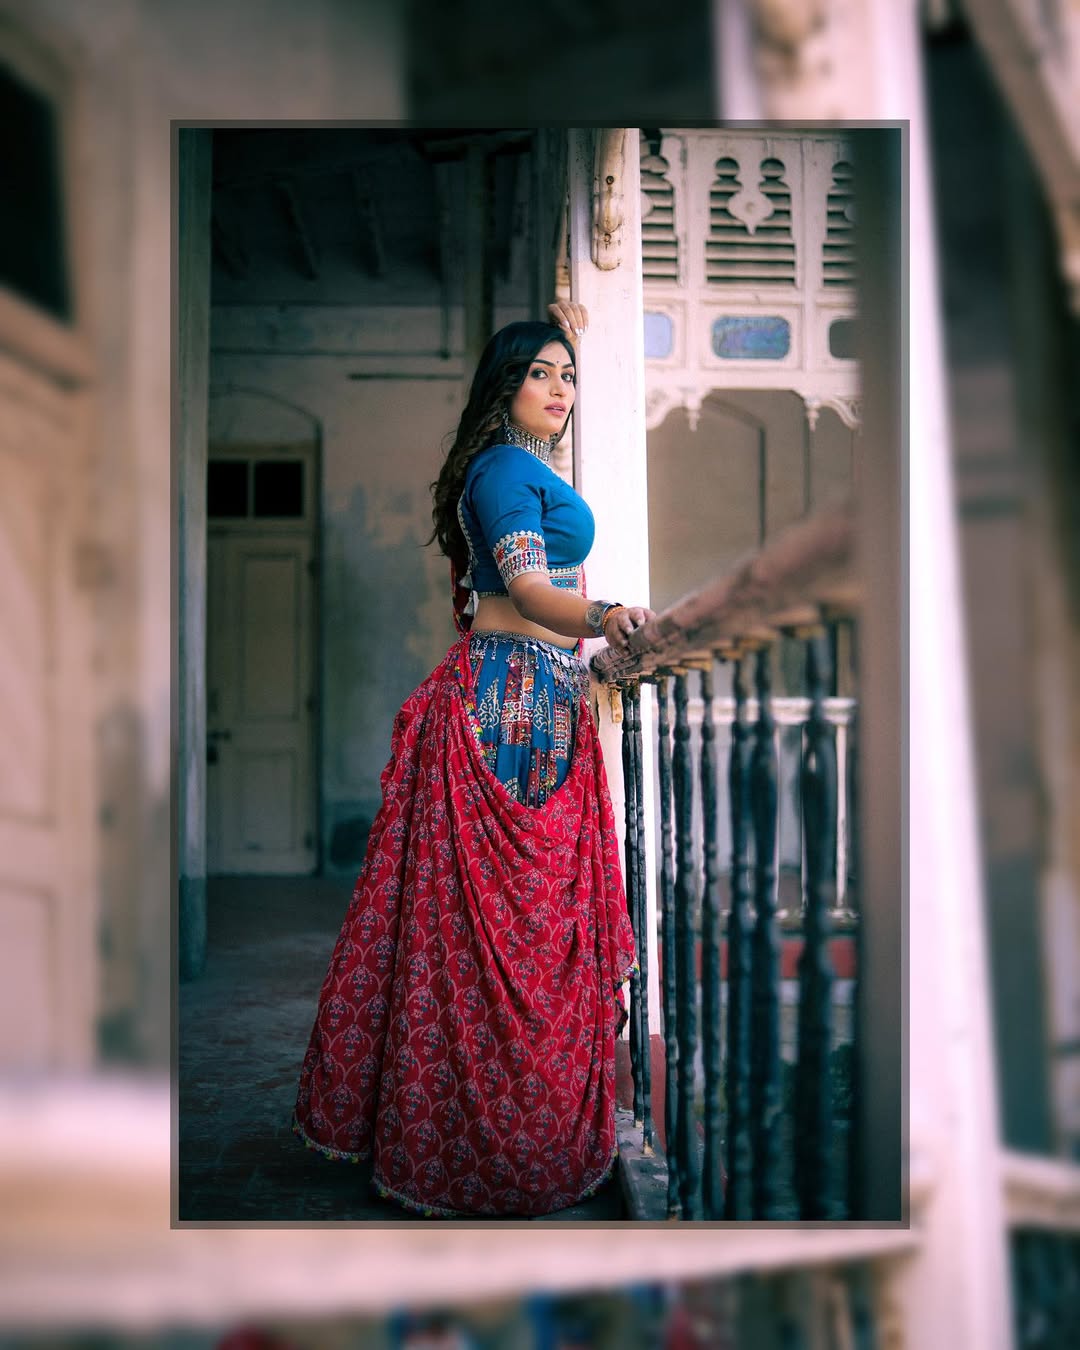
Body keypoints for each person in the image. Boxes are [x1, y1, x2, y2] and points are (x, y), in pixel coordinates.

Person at [293, 300, 654, 1217]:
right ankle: (484, 1146)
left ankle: (515, 1133)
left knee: (518, 937)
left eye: (569, 375)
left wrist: (576, 337)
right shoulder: (499, 470)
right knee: (508, 938)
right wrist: (609, 614)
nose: (563, 388)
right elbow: (531, 592)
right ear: (504, 385)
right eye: (542, 373)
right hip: (511, 710)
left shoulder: (519, 465)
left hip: (535, 702)